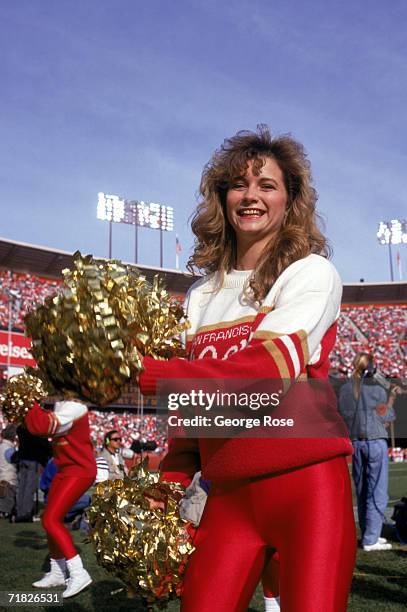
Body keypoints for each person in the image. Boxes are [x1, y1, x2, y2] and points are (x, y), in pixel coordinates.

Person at [137, 126, 356, 612]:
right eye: (239, 184)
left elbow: (267, 371)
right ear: (222, 197)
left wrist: (153, 376)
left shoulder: (312, 273)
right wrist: (169, 487)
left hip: (308, 490)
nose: (251, 195)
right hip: (229, 496)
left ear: (290, 200)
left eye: (267, 185)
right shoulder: (200, 295)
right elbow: (194, 413)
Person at [25, 399, 96, 598]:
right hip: (65, 469)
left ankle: (78, 572)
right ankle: (57, 572)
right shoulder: (62, 405)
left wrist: (29, 403)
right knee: (49, 518)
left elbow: (41, 426)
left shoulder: (75, 407)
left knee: (50, 519)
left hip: (80, 471)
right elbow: (35, 425)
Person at [338, 352, 397, 551]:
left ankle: (369, 533)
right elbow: (387, 418)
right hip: (374, 441)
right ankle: (371, 539)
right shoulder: (376, 389)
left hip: (356, 443)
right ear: (371, 367)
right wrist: (391, 398)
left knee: (363, 491)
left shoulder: (345, 389)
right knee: (377, 492)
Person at [0, 424, 18, 519]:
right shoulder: (9, 449)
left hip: (2, 476)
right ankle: (6, 512)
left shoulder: (2, 446)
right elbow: (13, 460)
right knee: (8, 499)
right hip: (9, 478)